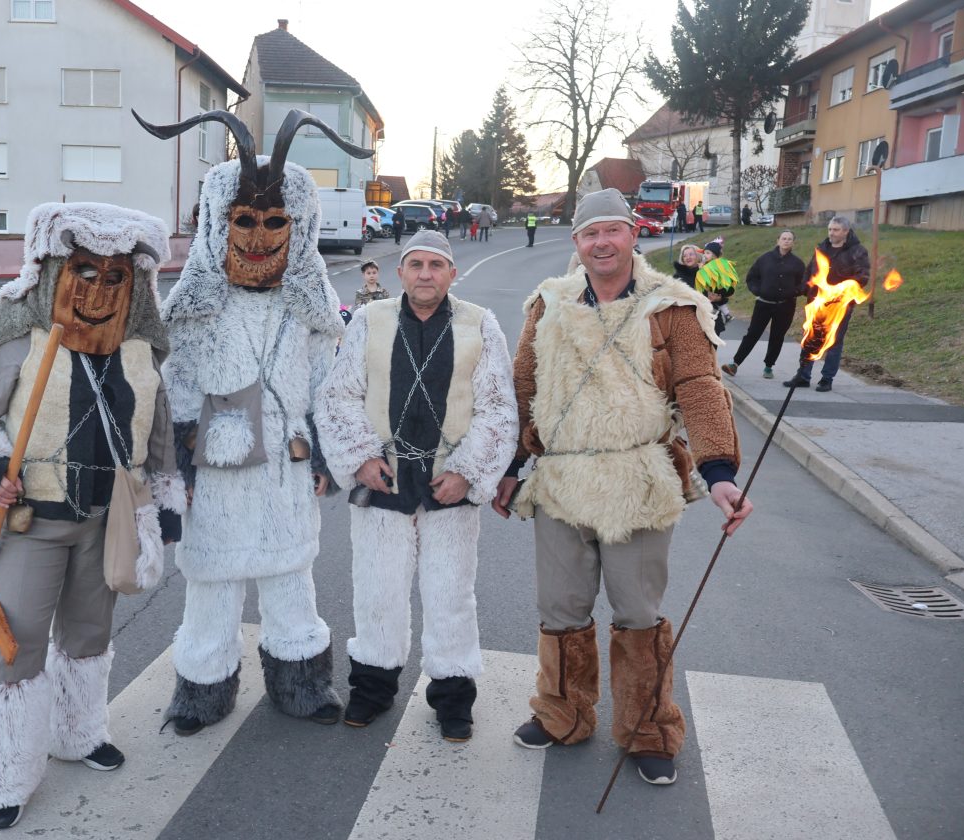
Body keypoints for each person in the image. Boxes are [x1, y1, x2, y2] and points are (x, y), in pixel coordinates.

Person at [493, 188, 751, 787]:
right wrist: (510, 467)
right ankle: (562, 713)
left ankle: (647, 731)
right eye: (590, 234)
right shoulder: (547, 305)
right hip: (560, 478)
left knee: (638, 613)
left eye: (612, 230)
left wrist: (720, 476)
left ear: (633, 235)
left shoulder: (672, 307)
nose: (601, 242)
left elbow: (701, 388)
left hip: (637, 481)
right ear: (576, 243)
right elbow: (523, 388)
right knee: (560, 609)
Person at [133, 107, 374, 736]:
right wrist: (177, 466)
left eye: (274, 221)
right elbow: (173, 387)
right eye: (244, 219)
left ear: (299, 226)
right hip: (216, 465)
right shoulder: (194, 309)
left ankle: (301, 681)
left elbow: (330, 385)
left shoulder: (309, 308)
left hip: (286, 466)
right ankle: (202, 688)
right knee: (211, 581)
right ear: (219, 223)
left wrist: (324, 456)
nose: (259, 236)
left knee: (290, 575)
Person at [0, 202, 184, 830]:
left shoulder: (142, 351)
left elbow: (157, 441)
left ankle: (78, 736)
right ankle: (4, 775)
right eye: (85, 270)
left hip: (107, 525)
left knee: (87, 638)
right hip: (33, 521)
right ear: (56, 268)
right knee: (16, 643)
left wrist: (165, 515)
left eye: (116, 277)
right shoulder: (23, 338)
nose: (99, 289)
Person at [316, 230, 517, 742]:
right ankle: (373, 688)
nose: (426, 273)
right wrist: (360, 458)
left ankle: (452, 697)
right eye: (416, 264)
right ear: (400, 272)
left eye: (436, 265)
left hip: (449, 482)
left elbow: (497, 406)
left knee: (451, 593)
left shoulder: (480, 324)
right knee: (377, 592)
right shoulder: (368, 320)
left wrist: (469, 472)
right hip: (383, 481)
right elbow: (340, 395)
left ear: (451, 273)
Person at [783, 215, 870, 392]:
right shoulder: (822, 248)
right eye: (830, 229)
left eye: (836, 230)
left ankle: (826, 378)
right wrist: (804, 288)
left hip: (840, 305)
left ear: (846, 231)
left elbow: (862, 277)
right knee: (810, 337)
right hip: (817, 302)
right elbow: (810, 270)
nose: (831, 233)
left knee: (834, 341)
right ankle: (803, 375)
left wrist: (838, 291)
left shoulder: (857, 251)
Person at [721, 230, 806, 380]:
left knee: (777, 336)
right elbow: (752, 277)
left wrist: (794, 292)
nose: (786, 241)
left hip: (785, 306)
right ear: (778, 240)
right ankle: (735, 364)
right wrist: (758, 291)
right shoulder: (765, 259)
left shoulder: (797, 263)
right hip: (764, 304)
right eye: (784, 238)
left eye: (789, 239)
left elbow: (803, 284)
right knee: (752, 334)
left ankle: (768, 366)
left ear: (793, 243)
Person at [695, 240, 738, 337]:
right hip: (713, 291)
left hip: (715, 289)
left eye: (708, 253)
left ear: (714, 255)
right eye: (705, 253)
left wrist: (701, 268)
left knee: (716, 302)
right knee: (718, 303)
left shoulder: (713, 265)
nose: (705, 255)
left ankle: (723, 314)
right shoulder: (711, 263)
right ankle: (726, 314)